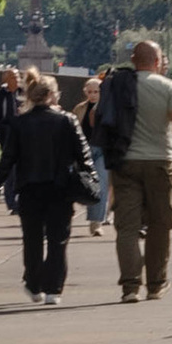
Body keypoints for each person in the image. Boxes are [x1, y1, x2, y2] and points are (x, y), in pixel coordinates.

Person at [102, 38, 172, 302]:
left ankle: (130, 287)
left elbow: (98, 119)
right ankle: (156, 284)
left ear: (133, 60)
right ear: (157, 62)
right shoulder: (167, 87)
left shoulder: (118, 85)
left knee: (127, 228)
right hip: (159, 162)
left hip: (124, 164)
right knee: (160, 224)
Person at [0, 71, 90, 304]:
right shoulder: (67, 121)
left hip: (29, 189)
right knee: (58, 240)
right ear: (50, 95)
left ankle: (33, 284)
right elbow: (83, 154)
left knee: (32, 239)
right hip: (60, 188)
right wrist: (91, 181)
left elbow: (8, 157)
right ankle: (53, 289)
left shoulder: (19, 123)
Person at [76, 73, 112, 235]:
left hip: (103, 149)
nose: (92, 95)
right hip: (85, 150)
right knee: (86, 185)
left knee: (101, 185)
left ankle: (96, 222)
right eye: (89, 92)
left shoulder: (108, 108)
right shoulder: (80, 109)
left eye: (96, 92)